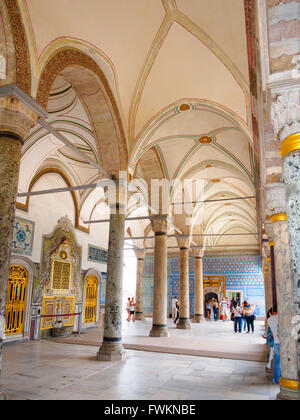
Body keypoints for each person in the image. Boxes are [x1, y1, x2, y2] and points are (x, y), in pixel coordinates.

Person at [268, 305, 280, 384]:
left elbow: (271, 333)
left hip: (276, 341)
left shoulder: (269, 319)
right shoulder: (282, 317)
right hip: (284, 342)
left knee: (277, 361)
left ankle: (277, 379)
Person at [262, 308, 274, 374]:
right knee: (272, 353)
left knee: (272, 353)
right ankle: (269, 366)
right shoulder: (271, 320)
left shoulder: (270, 320)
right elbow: (270, 332)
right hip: (274, 340)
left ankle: (269, 366)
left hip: (273, 340)